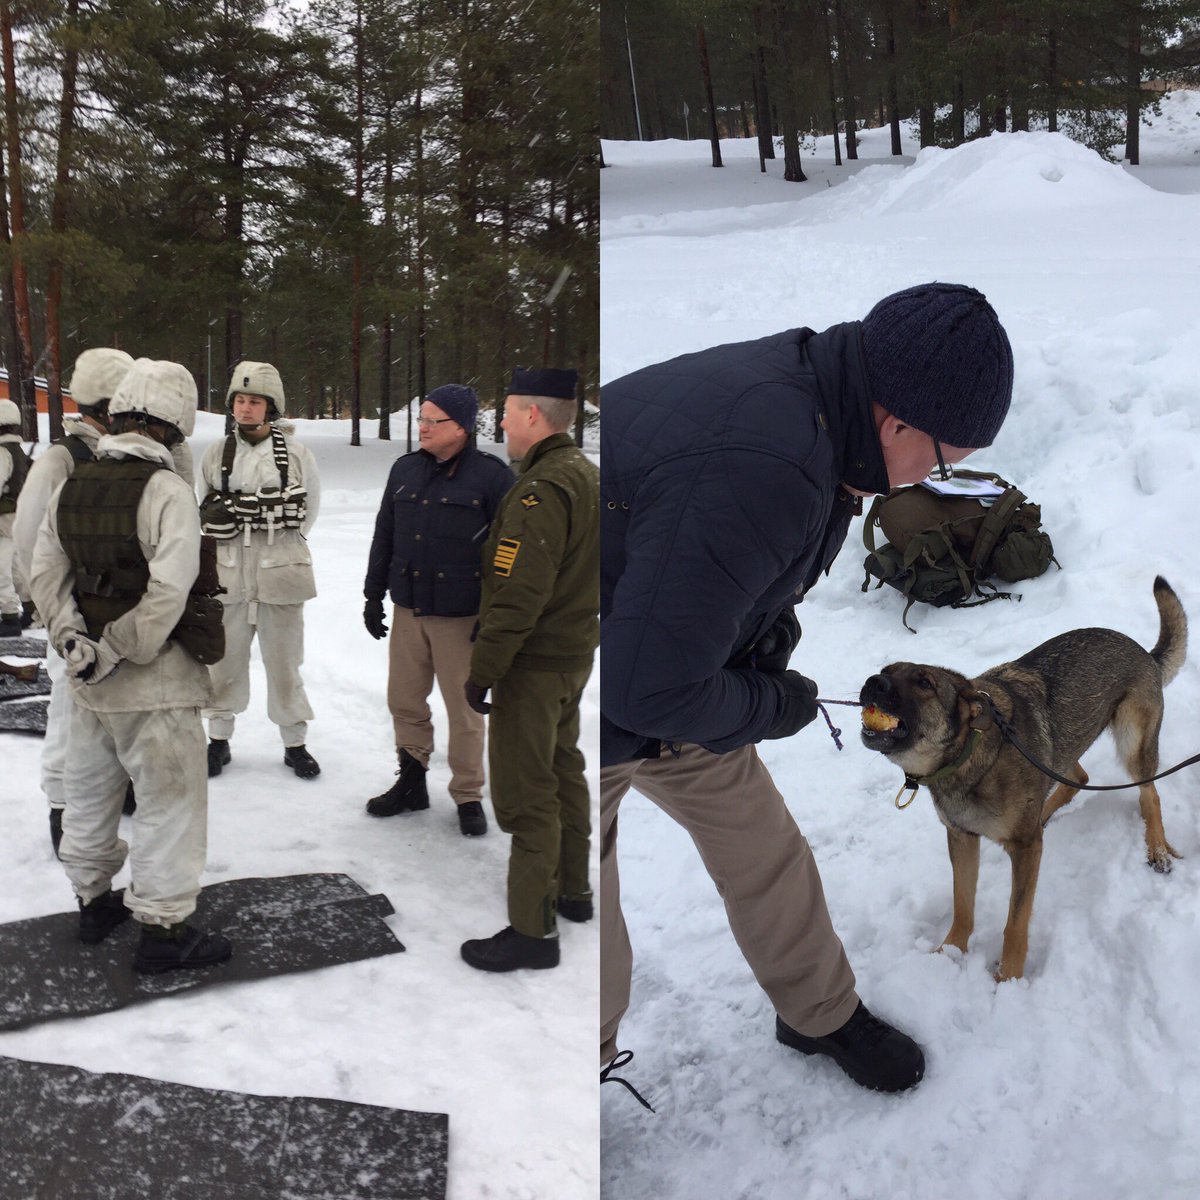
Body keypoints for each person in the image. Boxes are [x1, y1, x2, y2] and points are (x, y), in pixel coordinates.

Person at [599, 282, 1014, 1094]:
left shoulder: (824, 401)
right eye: (940, 465)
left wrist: (762, 637)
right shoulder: (765, 459)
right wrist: (778, 704)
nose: (923, 487)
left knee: (764, 853)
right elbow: (644, 693)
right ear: (894, 422)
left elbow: (719, 566)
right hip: (582, 696)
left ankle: (817, 1014)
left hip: (660, 668)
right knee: (585, 942)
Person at [29, 358, 232, 972]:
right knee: (170, 802)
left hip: (88, 681)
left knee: (91, 796)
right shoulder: (168, 490)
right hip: (155, 681)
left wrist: (75, 645)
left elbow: (45, 574)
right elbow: (168, 595)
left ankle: (93, 904)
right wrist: (116, 651)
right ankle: (165, 933)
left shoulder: (74, 482)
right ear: (173, 424)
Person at [460, 368, 599, 972]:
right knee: (564, 767)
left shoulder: (541, 489)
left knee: (526, 793)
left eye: (509, 413)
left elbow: (518, 594)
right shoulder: (590, 476)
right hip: (573, 655)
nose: (502, 425)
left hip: (535, 664)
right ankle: (573, 890)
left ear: (535, 417)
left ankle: (532, 930)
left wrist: (484, 670)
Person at [362, 383, 513, 836]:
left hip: (462, 617)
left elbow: (509, 551)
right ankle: (412, 784)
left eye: (434, 420)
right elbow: (384, 533)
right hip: (409, 610)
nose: (423, 427)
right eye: (421, 419)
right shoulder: (405, 469)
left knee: (465, 711)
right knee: (404, 701)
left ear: (462, 427)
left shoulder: (492, 477)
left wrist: (495, 614)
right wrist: (373, 594)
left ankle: (468, 795)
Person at [13, 348, 137, 851]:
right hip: (72, 617)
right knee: (68, 716)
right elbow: (28, 541)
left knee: (122, 710)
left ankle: (117, 787)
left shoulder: (121, 455)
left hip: (117, 616)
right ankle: (62, 807)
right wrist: (54, 613)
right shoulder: (63, 459)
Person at [199, 361, 321, 779]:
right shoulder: (216, 454)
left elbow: (308, 515)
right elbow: (206, 513)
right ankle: (218, 741)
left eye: (255, 401)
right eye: (240, 400)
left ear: (271, 408)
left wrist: (269, 538)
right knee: (223, 662)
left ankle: (295, 743)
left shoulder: (298, 455)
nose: (246, 408)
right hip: (229, 574)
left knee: (285, 663)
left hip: (280, 572)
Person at [0, 397, 32, 637]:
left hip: (3, 518)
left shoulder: (2, 453)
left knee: (1, 569)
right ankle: (29, 609)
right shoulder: (19, 450)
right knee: (16, 565)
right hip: (19, 514)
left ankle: (9, 617)